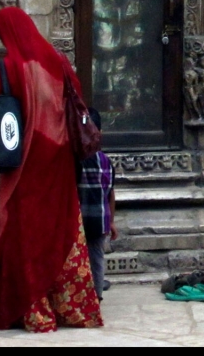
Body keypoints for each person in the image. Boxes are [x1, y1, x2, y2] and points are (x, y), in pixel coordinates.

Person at [0, 6, 103, 332]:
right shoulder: (58, 62)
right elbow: (75, 100)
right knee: (62, 227)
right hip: (59, 160)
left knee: (24, 232)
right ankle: (72, 309)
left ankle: (36, 312)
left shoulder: (7, 67)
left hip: (24, 164)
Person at [77, 108, 117, 301]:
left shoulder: (76, 160)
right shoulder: (106, 161)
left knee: (78, 259)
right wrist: (111, 222)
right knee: (97, 259)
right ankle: (97, 295)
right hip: (100, 220)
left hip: (79, 221)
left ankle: (81, 296)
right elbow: (111, 194)